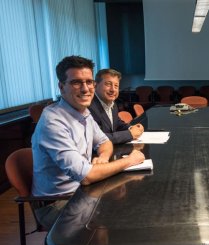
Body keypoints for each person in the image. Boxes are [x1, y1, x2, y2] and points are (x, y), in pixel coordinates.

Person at [31, 55, 145, 229]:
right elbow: (86, 176)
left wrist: (103, 158)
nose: (86, 89)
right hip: (58, 204)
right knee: (126, 217)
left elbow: (105, 142)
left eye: (89, 82)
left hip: (82, 193)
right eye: (76, 82)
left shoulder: (83, 112)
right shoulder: (53, 121)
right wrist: (129, 160)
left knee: (133, 204)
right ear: (62, 87)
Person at [89, 68, 144, 144]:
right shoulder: (89, 106)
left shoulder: (113, 104)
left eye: (116, 86)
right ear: (95, 85)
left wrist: (131, 128)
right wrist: (129, 134)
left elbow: (117, 123)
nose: (113, 89)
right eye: (108, 84)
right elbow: (97, 138)